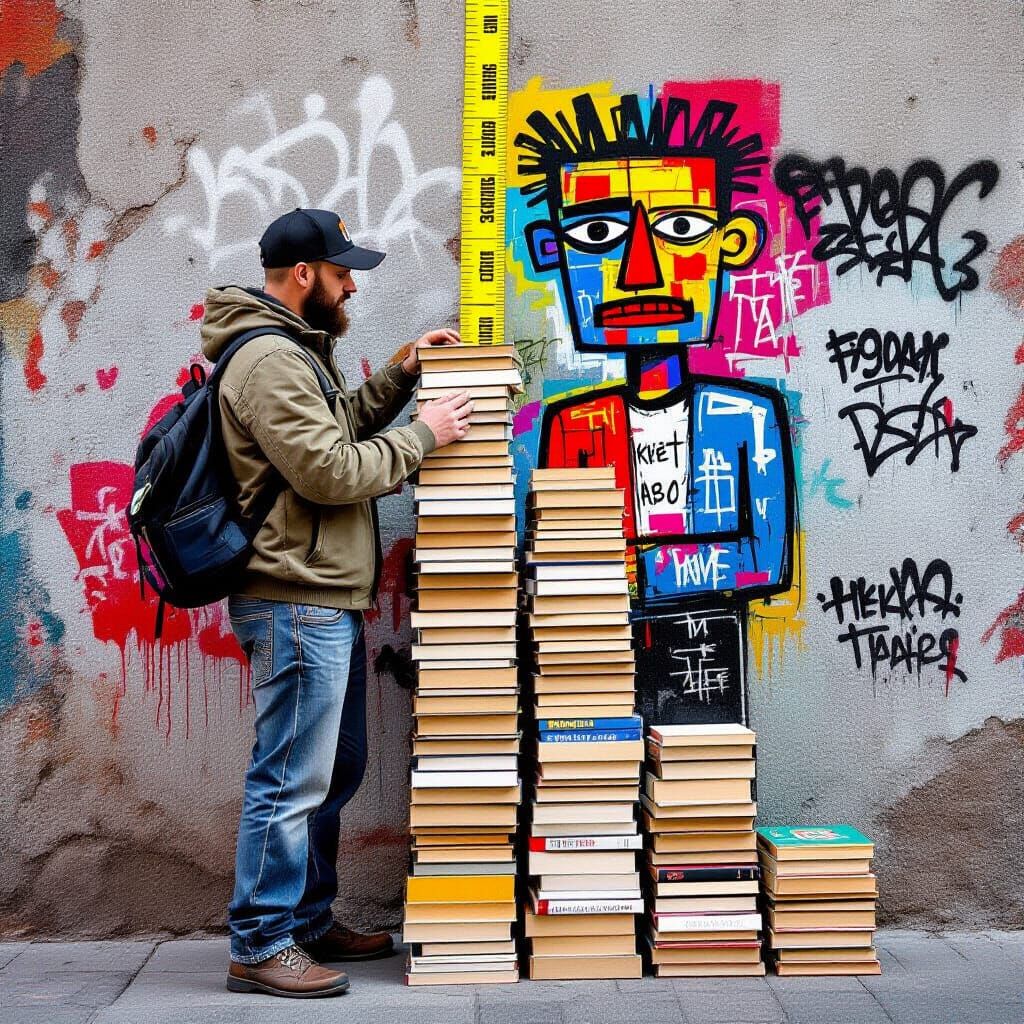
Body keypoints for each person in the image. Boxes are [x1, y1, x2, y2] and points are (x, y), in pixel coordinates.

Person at [198, 207, 472, 997]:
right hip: (293, 597)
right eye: (344, 270)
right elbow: (328, 471)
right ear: (306, 275)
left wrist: (399, 372)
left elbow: (337, 428)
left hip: (322, 594)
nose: (352, 283)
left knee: (333, 766)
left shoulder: (294, 352)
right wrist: (426, 436)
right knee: (289, 776)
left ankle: (306, 919)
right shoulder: (268, 362)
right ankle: (259, 940)